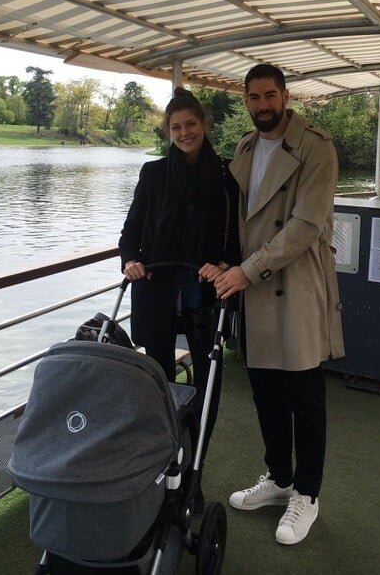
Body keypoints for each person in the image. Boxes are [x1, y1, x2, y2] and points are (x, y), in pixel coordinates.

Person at [213, 64, 345, 545]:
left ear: (286, 96)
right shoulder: (246, 148)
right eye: (254, 97)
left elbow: (306, 225)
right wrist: (222, 261)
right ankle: (279, 479)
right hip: (254, 284)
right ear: (245, 99)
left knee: (305, 396)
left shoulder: (317, 146)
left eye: (270, 96)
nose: (262, 106)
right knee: (266, 390)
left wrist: (245, 271)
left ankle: (307, 495)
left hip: (297, 285)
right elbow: (238, 220)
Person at [118, 87, 240, 477]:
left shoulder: (226, 175)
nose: (184, 133)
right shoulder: (152, 174)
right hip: (157, 290)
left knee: (208, 379)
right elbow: (131, 231)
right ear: (168, 132)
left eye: (190, 124)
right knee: (157, 378)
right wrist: (130, 260)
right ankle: (161, 456)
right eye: (176, 127)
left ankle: (197, 456)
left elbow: (237, 238)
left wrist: (222, 262)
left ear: (204, 124)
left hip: (203, 294)